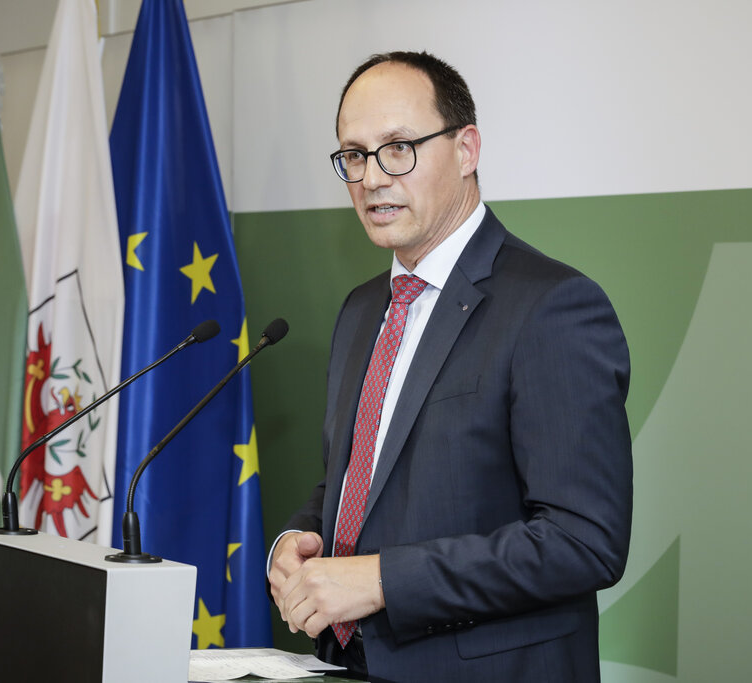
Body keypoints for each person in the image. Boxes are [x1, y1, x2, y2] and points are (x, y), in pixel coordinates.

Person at [267, 51, 633, 683]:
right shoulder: (361, 309)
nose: (373, 178)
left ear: (466, 149)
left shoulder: (552, 307)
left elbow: (584, 541)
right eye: (353, 155)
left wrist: (382, 580)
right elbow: (356, 481)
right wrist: (298, 541)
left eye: (399, 147)